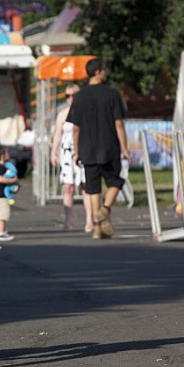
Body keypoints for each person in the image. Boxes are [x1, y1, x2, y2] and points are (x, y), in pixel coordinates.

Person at [66, 58, 129, 240]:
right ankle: (104, 210)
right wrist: (124, 148)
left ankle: (97, 228)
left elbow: (75, 128)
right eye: (104, 69)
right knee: (116, 181)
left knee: (93, 189)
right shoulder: (112, 94)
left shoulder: (80, 97)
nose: (106, 72)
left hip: (87, 149)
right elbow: (119, 124)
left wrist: (77, 151)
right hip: (109, 147)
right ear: (98, 72)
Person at [50, 84, 93, 232]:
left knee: (85, 186)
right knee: (68, 187)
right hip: (67, 151)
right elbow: (57, 134)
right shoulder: (62, 114)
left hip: (82, 150)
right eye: (67, 96)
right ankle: (68, 221)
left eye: (73, 95)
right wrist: (53, 152)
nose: (70, 99)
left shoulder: (86, 112)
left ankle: (89, 220)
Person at [0, 145, 16, 242]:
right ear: (2, 156)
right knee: (2, 215)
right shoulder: (0, 167)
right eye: (7, 153)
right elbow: (0, 179)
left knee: (3, 213)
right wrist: (12, 180)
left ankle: (3, 231)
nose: (8, 154)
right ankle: (0, 233)